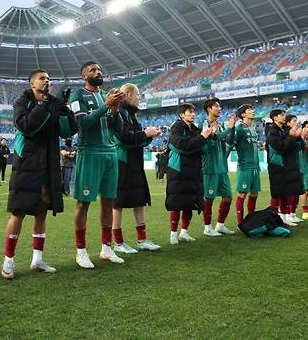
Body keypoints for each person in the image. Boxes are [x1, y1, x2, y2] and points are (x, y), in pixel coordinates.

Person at [1, 69, 77, 279]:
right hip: (27, 163)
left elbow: (68, 131)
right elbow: (27, 126)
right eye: (42, 78)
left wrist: (65, 110)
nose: (47, 81)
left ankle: (37, 260)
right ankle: (8, 260)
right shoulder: (21, 103)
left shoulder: (52, 103)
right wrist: (45, 104)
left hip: (49, 164)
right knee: (18, 212)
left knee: (42, 211)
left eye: (49, 79)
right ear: (32, 83)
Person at [68, 61, 126, 268]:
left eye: (99, 69)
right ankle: (81, 251)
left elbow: (118, 128)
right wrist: (106, 106)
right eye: (92, 70)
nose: (98, 72)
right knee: (83, 203)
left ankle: (106, 248)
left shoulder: (106, 96)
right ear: (84, 76)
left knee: (109, 202)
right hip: (90, 152)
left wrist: (115, 110)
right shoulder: (77, 95)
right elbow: (82, 123)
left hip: (110, 153)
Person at [112, 83, 162, 254]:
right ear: (128, 95)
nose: (139, 98)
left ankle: (142, 240)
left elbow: (136, 139)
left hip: (134, 163)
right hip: (122, 163)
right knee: (118, 203)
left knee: (139, 200)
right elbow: (123, 139)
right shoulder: (120, 113)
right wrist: (145, 134)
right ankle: (118, 243)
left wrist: (149, 136)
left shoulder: (131, 114)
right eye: (138, 94)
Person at [166, 103, 215, 244]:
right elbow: (183, 146)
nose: (193, 114)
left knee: (190, 203)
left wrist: (208, 138)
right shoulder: (176, 128)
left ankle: (184, 232)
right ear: (182, 115)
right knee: (177, 203)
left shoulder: (195, 130)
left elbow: (203, 149)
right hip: (178, 171)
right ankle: (173, 234)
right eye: (190, 112)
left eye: (194, 112)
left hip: (193, 170)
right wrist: (201, 139)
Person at [201, 98, 236, 237]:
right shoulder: (204, 124)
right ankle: (207, 227)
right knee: (208, 199)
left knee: (228, 197)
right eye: (216, 106)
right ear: (209, 109)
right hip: (210, 167)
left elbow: (229, 141)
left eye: (220, 106)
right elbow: (216, 137)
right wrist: (229, 128)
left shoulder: (220, 125)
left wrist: (232, 128)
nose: (220, 108)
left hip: (222, 167)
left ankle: (220, 225)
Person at [265, 110, 304, 226]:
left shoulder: (285, 130)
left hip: (287, 165)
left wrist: (297, 137)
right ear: (275, 118)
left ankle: (283, 218)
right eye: (281, 115)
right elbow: (280, 147)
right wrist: (291, 136)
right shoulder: (271, 132)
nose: (284, 117)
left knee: (286, 192)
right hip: (277, 166)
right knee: (277, 193)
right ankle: (274, 218)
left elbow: (297, 146)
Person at [225, 104, 261, 224]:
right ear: (243, 114)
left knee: (254, 194)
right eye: (249, 109)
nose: (253, 111)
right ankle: (240, 222)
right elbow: (230, 143)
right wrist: (224, 158)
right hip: (245, 166)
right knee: (242, 194)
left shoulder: (252, 128)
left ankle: (251, 220)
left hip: (255, 167)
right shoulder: (239, 128)